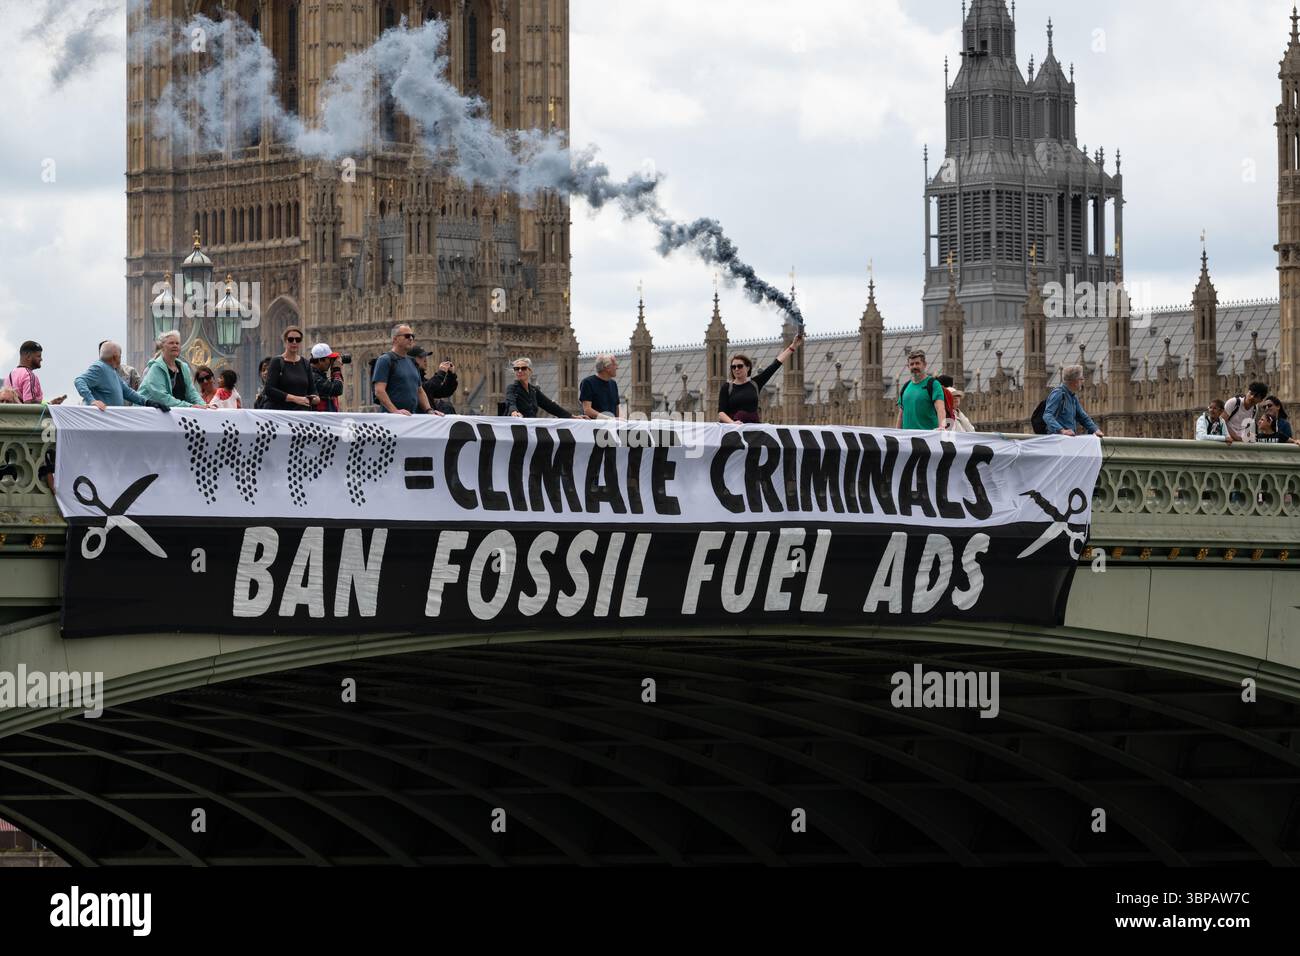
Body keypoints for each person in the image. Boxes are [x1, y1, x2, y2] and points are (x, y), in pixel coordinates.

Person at [718, 332, 805, 425]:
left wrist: (793, 346)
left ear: (747, 367)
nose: (736, 369)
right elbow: (721, 413)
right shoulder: (727, 387)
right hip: (734, 430)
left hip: (754, 429)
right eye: (733, 367)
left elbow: (775, 365)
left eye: (739, 366)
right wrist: (733, 423)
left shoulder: (755, 383)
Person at [73, 341, 166, 411]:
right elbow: (79, 380)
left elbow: (128, 392)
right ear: (115, 357)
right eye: (120, 355)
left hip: (109, 423)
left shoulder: (112, 371)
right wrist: (92, 400)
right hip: (100, 423)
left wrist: (148, 402)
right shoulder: (99, 367)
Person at [373, 324, 439, 416]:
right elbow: (379, 391)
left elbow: (419, 390)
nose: (411, 338)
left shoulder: (412, 362)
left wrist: (429, 410)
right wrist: (395, 411)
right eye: (407, 336)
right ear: (395, 339)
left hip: (410, 418)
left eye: (412, 336)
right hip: (392, 419)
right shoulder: (385, 360)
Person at [138, 330, 210, 409]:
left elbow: (191, 392)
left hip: (172, 414)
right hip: (148, 414)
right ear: (162, 347)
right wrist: (189, 406)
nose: (175, 345)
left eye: (177, 343)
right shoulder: (155, 368)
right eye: (171, 343)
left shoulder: (184, 367)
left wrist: (204, 405)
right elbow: (162, 398)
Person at [506, 357, 582, 419]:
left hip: (531, 429)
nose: (519, 371)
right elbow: (510, 402)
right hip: (518, 430)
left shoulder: (534, 390)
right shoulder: (512, 388)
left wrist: (571, 416)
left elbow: (549, 405)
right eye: (516, 369)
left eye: (523, 368)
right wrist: (514, 412)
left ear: (530, 371)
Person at [263, 327, 318, 411]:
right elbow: (269, 389)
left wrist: (314, 399)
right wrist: (295, 399)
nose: (294, 342)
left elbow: (313, 390)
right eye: (291, 339)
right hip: (281, 413)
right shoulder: (277, 361)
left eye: (298, 339)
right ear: (285, 341)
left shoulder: (305, 363)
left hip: (301, 414)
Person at [1042, 365, 1105, 437]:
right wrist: (1062, 430)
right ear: (1075, 381)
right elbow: (1047, 415)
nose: (1083, 381)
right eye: (1081, 379)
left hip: (1069, 439)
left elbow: (1083, 417)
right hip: (1058, 439)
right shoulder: (1058, 393)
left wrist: (1095, 430)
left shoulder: (1073, 396)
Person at [894, 349, 948, 432]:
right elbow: (901, 414)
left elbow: (940, 408)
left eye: (917, 363)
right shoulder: (905, 386)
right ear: (908, 366)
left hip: (927, 438)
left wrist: (942, 427)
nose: (914, 366)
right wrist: (896, 433)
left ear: (925, 364)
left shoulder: (933, 384)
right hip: (907, 439)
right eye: (911, 364)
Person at [5, 341, 65, 406]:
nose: (41, 359)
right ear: (28, 357)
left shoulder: (10, 375)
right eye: (38, 356)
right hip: (25, 416)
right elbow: (29, 405)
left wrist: (50, 403)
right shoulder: (29, 375)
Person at [580, 355, 620, 419]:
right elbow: (587, 410)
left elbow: (616, 407)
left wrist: (618, 422)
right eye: (614, 365)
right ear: (607, 367)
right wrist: (610, 419)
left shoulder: (613, 383)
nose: (617, 367)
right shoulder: (588, 382)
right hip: (595, 427)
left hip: (611, 427)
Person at [309, 344, 345, 412]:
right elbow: (337, 389)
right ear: (320, 360)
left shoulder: (317, 374)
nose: (331, 362)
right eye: (329, 359)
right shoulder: (313, 377)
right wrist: (336, 369)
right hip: (319, 420)